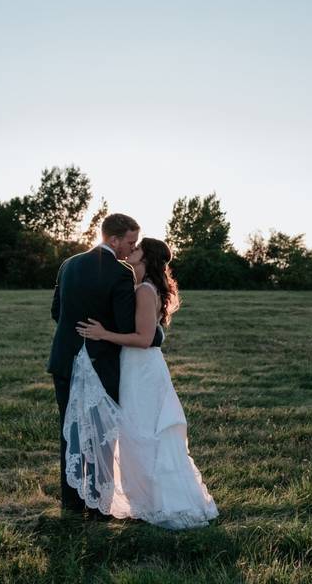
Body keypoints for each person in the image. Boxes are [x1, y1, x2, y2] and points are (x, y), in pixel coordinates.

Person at [65, 237, 218, 530]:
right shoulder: (142, 287)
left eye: (136, 249)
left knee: (147, 432)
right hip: (136, 368)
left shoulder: (146, 291)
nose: (131, 251)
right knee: (137, 431)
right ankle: (146, 499)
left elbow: (145, 339)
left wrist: (103, 334)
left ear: (146, 257)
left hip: (143, 370)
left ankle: (164, 502)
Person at [47, 213, 163, 517]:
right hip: (101, 363)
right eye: (130, 241)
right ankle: (98, 506)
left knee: (69, 431)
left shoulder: (68, 264)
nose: (131, 248)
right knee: (103, 434)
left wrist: (78, 331)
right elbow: (127, 325)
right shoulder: (121, 272)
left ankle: (71, 505)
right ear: (114, 239)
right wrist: (155, 331)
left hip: (65, 358)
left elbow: (57, 312)